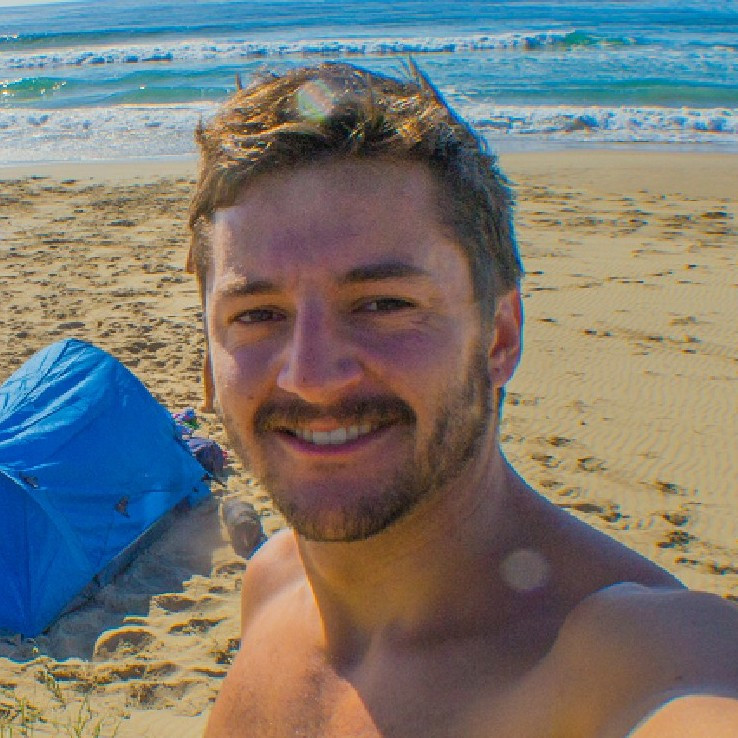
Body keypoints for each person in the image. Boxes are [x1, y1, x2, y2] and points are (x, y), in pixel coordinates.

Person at [186, 62, 738, 737]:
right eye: (257, 315)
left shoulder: (625, 659)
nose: (311, 376)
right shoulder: (273, 583)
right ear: (209, 362)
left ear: (499, 337)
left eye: (383, 304)